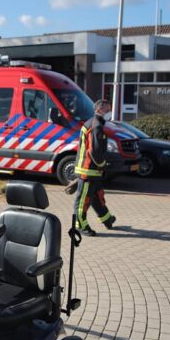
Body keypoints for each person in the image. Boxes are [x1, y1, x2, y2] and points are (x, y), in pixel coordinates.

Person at [64, 98, 116, 236]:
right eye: (107, 109)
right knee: (83, 200)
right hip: (88, 170)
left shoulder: (93, 123)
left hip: (92, 170)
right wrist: (103, 164)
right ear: (99, 110)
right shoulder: (96, 125)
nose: (109, 112)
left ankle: (107, 219)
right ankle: (81, 225)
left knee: (97, 196)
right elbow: (95, 151)